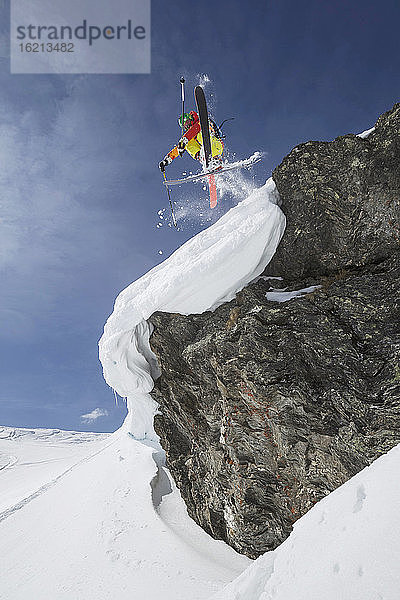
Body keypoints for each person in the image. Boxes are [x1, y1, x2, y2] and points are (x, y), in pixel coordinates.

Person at [159, 110, 224, 172]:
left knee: (199, 134)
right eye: (185, 126)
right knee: (188, 144)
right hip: (205, 150)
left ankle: (216, 160)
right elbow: (178, 149)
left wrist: (185, 139)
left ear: (190, 119)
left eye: (187, 122)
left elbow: (196, 128)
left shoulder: (201, 121)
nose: (187, 126)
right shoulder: (190, 134)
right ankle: (204, 159)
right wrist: (166, 160)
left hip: (216, 145)